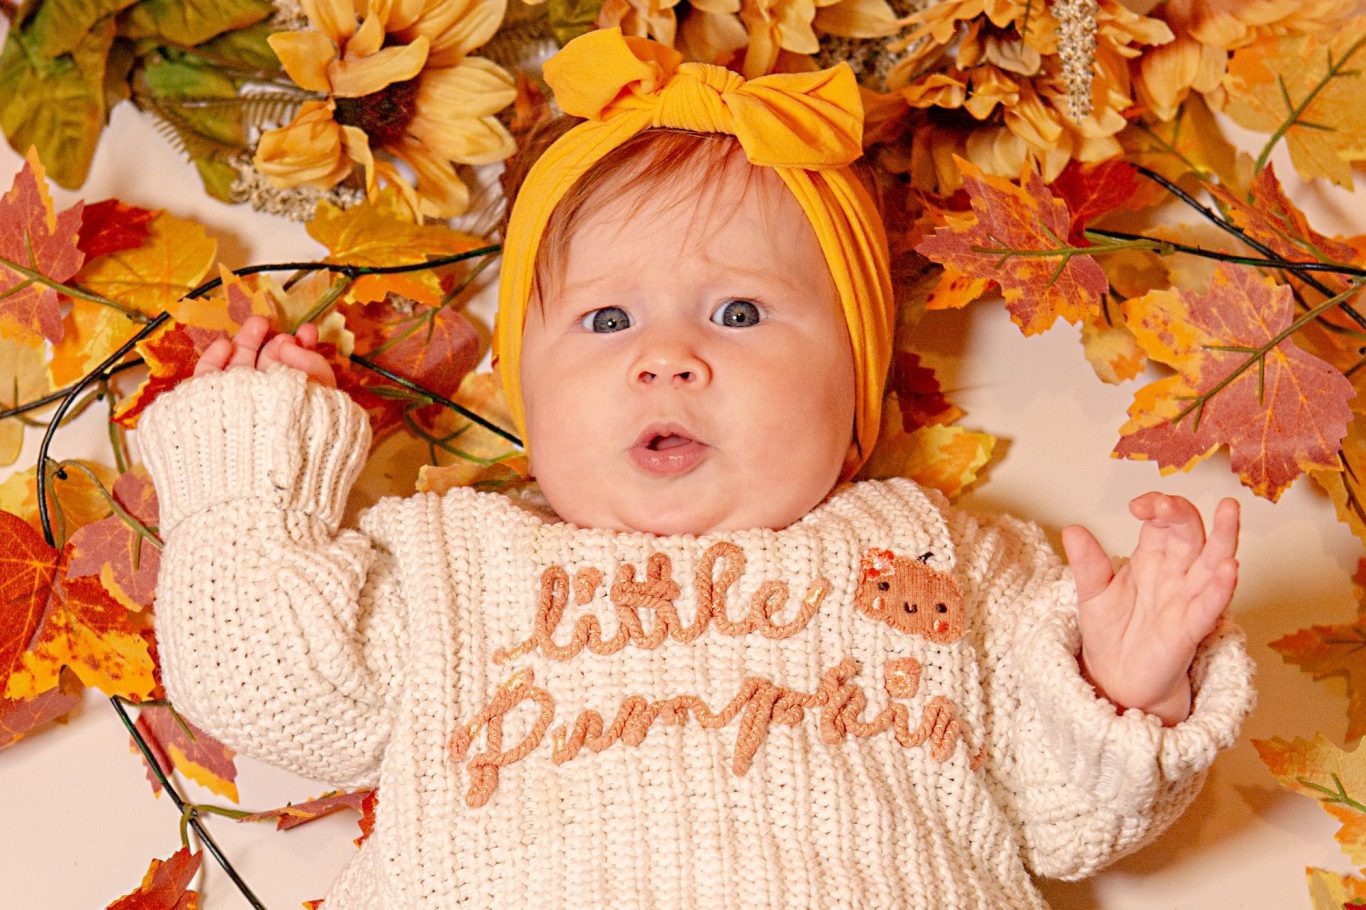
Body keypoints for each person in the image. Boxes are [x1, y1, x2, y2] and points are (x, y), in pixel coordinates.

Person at [139, 28, 1254, 910]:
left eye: (738, 312)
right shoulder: (453, 564)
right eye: (605, 318)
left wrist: (1124, 688)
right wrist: (250, 471)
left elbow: (1066, 817)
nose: (665, 357)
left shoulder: (934, 551)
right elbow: (268, 683)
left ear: (855, 400)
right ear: (530, 401)